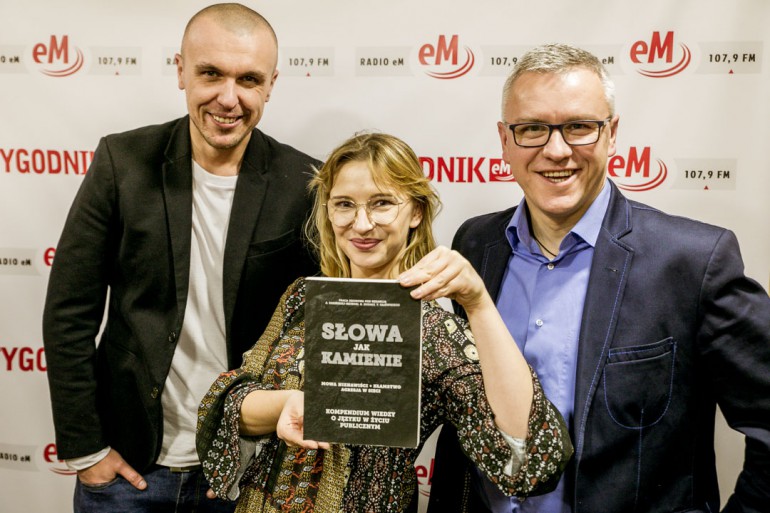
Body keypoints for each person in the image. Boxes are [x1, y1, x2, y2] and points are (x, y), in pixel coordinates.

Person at [427, 43, 770, 513]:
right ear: (505, 141)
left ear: (612, 134)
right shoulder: (476, 243)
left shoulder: (693, 262)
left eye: (579, 127)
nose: (556, 150)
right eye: (532, 129)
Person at [196, 132, 573, 513]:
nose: (361, 224)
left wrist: (478, 304)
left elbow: (529, 460)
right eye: (345, 204)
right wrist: (288, 404)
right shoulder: (302, 298)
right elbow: (229, 400)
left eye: (382, 203)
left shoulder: (434, 331)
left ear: (416, 212)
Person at [42, 4, 320, 512]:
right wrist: (86, 450)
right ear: (180, 71)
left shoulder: (305, 183)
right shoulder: (122, 163)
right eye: (211, 73)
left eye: (249, 79)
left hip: (245, 474)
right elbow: (69, 311)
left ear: (271, 85)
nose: (228, 98)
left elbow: (316, 331)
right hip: (128, 471)